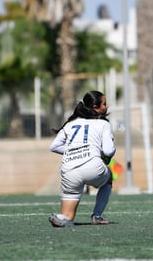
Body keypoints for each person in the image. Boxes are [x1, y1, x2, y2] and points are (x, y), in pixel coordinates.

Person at [48, 91, 115, 227]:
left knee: (67, 217)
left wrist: (72, 151)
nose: (107, 107)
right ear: (95, 107)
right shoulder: (103, 124)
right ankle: (97, 216)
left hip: (69, 170)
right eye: (104, 104)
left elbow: (54, 146)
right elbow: (109, 151)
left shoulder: (70, 124)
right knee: (109, 177)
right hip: (93, 167)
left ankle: (62, 218)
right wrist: (99, 154)